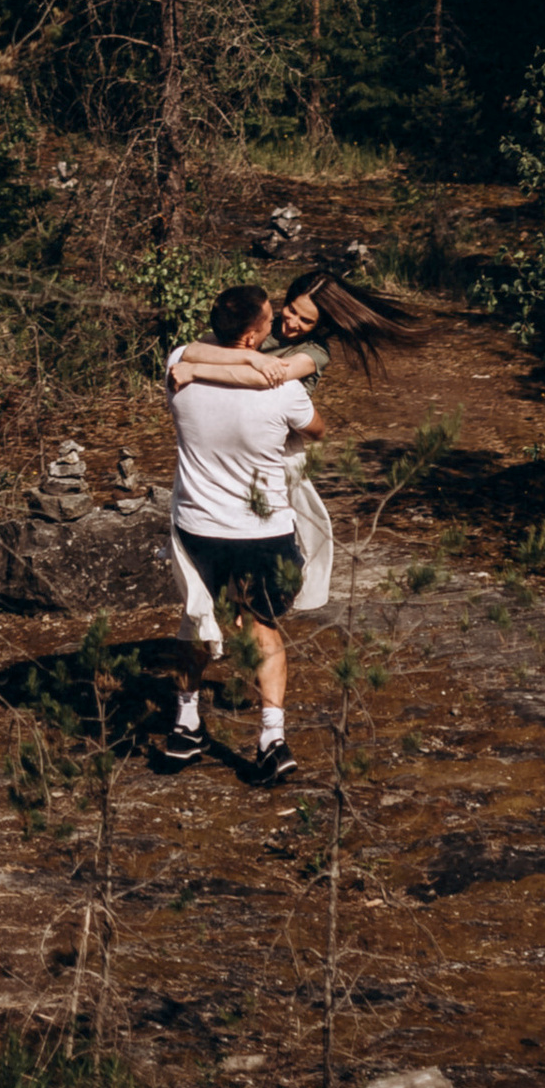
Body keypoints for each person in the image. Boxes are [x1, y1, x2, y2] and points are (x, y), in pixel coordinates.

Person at [160, 282, 324, 785]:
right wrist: (259, 373)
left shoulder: (179, 373)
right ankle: (271, 738)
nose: (279, 324)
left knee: (194, 622)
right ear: (253, 337)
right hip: (262, 531)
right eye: (272, 319)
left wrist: (239, 364)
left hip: (198, 525)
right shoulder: (286, 391)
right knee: (264, 631)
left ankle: (186, 724)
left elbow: (188, 352)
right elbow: (316, 430)